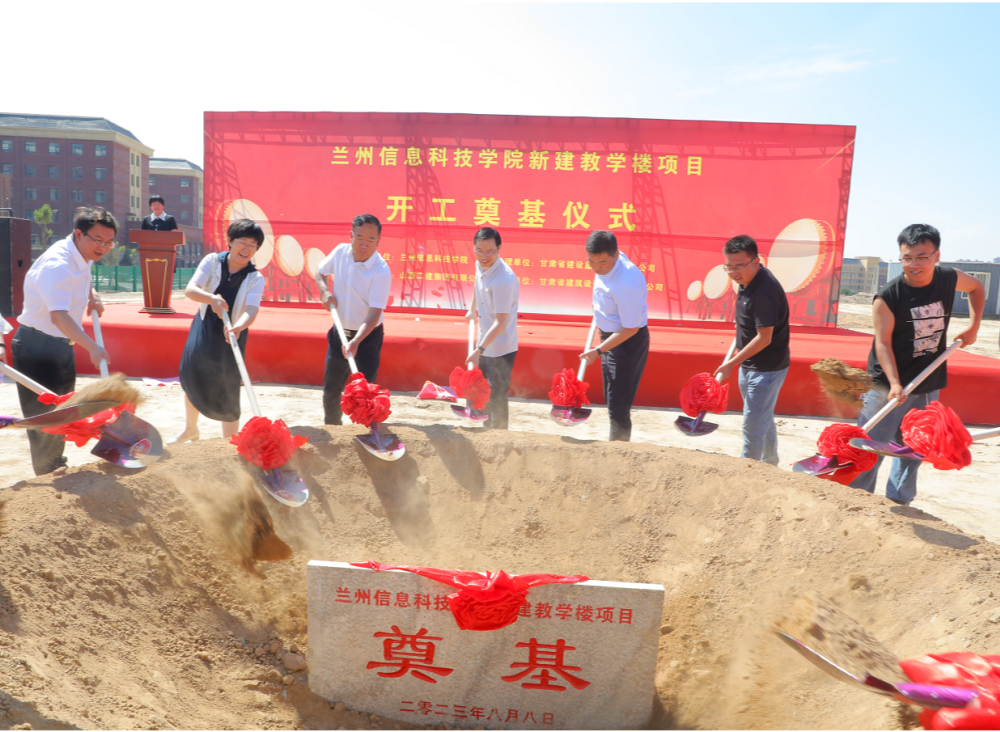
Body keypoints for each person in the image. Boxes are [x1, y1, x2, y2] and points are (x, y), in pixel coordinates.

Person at [850, 223, 985, 506]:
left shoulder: (947, 277)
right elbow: (883, 343)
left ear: (936, 256)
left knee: (914, 447)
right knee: (870, 446)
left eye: (922, 257)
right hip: (886, 385)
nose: (914, 264)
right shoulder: (888, 297)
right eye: (907, 258)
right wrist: (894, 383)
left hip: (927, 379)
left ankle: (900, 503)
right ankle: (859, 502)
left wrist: (973, 327)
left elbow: (976, 288)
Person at [11, 206, 113, 475]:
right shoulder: (58, 265)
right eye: (98, 240)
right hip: (36, 348)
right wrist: (92, 346)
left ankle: (57, 464)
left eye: (109, 242)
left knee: (64, 411)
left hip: (61, 346)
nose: (103, 247)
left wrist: (91, 294)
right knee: (46, 421)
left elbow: (81, 277)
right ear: (79, 234)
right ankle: (48, 476)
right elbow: (58, 316)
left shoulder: (81, 252)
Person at [171, 219, 266, 443]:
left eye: (253, 245)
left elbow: (251, 310)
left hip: (232, 334)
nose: (247, 248)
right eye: (242, 242)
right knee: (194, 376)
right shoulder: (212, 261)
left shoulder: (255, 278)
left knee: (228, 387)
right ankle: (190, 429)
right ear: (230, 241)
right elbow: (191, 290)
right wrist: (211, 298)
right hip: (204, 328)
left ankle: (229, 442)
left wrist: (240, 325)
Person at [714, 235, 791, 466]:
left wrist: (731, 363)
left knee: (752, 425)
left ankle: (748, 472)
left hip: (766, 369)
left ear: (756, 262)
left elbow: (764, 338)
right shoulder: (747, 280)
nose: (734, 272)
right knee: (761, 419)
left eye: (739, 266)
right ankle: (769, 465)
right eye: (729, 267)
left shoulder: (765, 290)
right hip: (750, 364)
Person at [313, 214, 391, 425]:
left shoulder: (381, 271)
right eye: (359, 238)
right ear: (351, 236)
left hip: (367, 337)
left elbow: (374, 313)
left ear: (378, 241)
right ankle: (334, 429)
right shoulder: (340, 252)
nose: (364, 244)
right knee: (331, 389)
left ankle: (366, 431)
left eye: (370, 239)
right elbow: (320, 272)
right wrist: (324, 291)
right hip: (340, 332)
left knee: (366, 393)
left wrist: (356, 341)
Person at [580, 230, 649, 442]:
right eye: (591, 262)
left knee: (618, 403)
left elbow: (630, 329)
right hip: (610, 336)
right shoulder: (609, 261)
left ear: (616, 255)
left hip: (626, 341)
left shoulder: (627, 283)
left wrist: (599, 350)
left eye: (602, 262)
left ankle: (619, 450)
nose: (597, 267)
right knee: (611, 396)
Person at [464, 227, 519, 429]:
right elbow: (477, 284)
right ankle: (486, 432)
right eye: (479, 250)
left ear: (499, 249)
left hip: (501, 347)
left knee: (496, 395)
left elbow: (500, 322)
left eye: (490, 251)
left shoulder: (504, 280)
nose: (484, 256)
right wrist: (472, 309)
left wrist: (479, 350)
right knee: (482, 391)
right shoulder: (481, 264)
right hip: (484, 340)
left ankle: (500, 436)